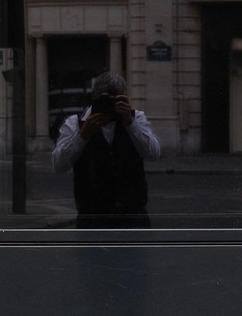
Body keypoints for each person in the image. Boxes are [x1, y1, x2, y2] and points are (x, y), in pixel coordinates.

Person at [50, 72, 162, 227]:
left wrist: (131, 123)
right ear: (93, 97)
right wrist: (82, 136)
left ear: (124, 97)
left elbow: (154, 153)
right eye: (104, 98)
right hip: (92, 217)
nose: (109, 103)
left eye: (115, 98)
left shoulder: (136, 119)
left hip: (132, 216)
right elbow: (58, 164)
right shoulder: (75, 123)